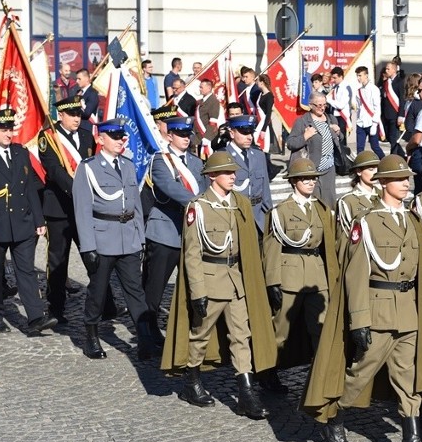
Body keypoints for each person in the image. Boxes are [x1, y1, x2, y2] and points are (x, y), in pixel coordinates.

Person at [303, 155, 422, 442]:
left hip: (408, 312)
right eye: (399, 178)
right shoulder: (366, 222)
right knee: (359, 373)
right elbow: (355, 274)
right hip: (378, 311)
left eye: (408, 177)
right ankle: (334, 418)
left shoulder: (412, 220)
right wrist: (360, 320)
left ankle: (411, 440)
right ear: (383, 183)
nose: (407, 183)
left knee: (408, 378)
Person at [160, 151, 274, 420]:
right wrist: (198, 290)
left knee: (241, 335)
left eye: (234, 172)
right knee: (200, 335)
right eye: (227, 172)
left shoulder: (240, 203)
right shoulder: (197, 208)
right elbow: (192, 253)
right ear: (212, 176)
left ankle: (246, 392)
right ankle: (192, 381)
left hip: (235, 279)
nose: (233, 176)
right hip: (210, 279)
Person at [72, 118, 159, 360]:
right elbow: (82, 209)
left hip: (128, 238)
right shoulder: (88, 168)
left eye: (122, 135)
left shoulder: (128, 165)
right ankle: (91, 336)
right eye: (115, 136)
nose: (121, 140)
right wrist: (88, 246)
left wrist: (140, 239)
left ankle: (144, 340)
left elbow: (136, 206)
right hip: (102, 239)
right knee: (97, 292)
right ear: (101, 139)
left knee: (135, 291)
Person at [38, 97, 120, 325]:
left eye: (79, 115)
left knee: (94, 258)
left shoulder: (86, 136)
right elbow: (54, 170)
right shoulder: (49, 138)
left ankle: (108, 305)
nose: (76, 119)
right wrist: (79, 191)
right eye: (72, 115)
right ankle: (56, 308)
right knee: (58, 261)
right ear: (61, 115)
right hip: (60, 210)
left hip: (85, 210)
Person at [264, 158, 339, 389]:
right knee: (280, 331)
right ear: (294, 182)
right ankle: (268, 373)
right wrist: (273, 280)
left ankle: (321, 375)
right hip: (290, 276)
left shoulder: (321, 208)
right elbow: (272, 246)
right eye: (305, 178)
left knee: (321, 327)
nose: (311, 182)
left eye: (313, 178)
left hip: (317, 276)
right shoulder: (281, 211)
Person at [0, 109, 56, 334]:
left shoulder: (20, 152)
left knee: (26, 270)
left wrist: (39, 219)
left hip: (22, 222)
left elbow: (29, 189)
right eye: (4, 129)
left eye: (11, 129)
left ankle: (36, 317)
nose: (9, 133)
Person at [143, 117, 207, 343]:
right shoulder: (161, 160)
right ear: (169, 136)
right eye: (180, 134)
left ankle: (187, 330)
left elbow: (206, 188)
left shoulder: (197, 163)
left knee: (192, 284)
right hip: (166, 233)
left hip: (191, 233)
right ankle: (147, 333)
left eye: (188, 134)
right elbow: (172, 189)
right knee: (155, 287)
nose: (186, 138)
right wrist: (203, 204)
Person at [287, 91, 341, 207]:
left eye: (324, 105)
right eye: (319, 105)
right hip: (311, 171)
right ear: (311, 105)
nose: (322, 108)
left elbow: (339, 140)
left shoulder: (330, 119)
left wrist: (338, 132)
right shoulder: (302, 122)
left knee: (329, 204)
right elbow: (290, 143)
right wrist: (305, 136)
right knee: (314, 203)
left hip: (329, 169)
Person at [223, 114, 272, 235]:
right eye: (244, 133)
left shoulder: (258, 155)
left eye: (251, 133)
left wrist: (270, 217)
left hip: (259, 218)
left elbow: (265, 190)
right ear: (232, 133)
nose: (249, 137)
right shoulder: (223, 156)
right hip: (235, 218)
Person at [335, 150, 381, 254]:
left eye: (377, 168)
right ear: (359, 171)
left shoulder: (383, 196)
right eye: (371, 169)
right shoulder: (348, 201)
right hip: (359, 254)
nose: (375, 172)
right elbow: (343, 239)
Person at [353, 66, 384, 157]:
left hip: (371, 122)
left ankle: (384, 161)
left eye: (360, 75)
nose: (358, 78)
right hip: (361, 122)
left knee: (375, 147)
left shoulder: (374, 89)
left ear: (366, 75)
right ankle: (360, 168)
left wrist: (374, 124)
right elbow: (359, 107)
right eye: (357, 76)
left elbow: (377, 107)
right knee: (359, 148)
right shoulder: (359, 91)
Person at [379, 61, 405, 156]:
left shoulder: (400, 82)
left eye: (388, 69)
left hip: (395, 114)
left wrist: (401, 115)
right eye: (386, 68)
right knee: (389, 138)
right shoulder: (386, 82)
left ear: (394, 70)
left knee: (394, 138)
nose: (386, 70)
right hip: (386, 115)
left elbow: (402, 99)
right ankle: (402, 154)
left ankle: (393, 157)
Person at [193, 79, 222, 157]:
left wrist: (207, 137)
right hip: (199, 136)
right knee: (200, 158)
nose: (199, 89)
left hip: (207, 136)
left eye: (201, 87)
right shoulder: (201, 101)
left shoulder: (213, 101)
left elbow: (213, 121)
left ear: (209, 88)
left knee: (206, 158)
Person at [76, 69, 98, 135]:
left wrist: (74, 111)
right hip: (78, 127)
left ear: (87, 79)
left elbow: (87, 113)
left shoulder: (92, 93)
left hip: (87, 129)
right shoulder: (78, 92)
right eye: (77, 79)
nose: (77, 81)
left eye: (79, 79)